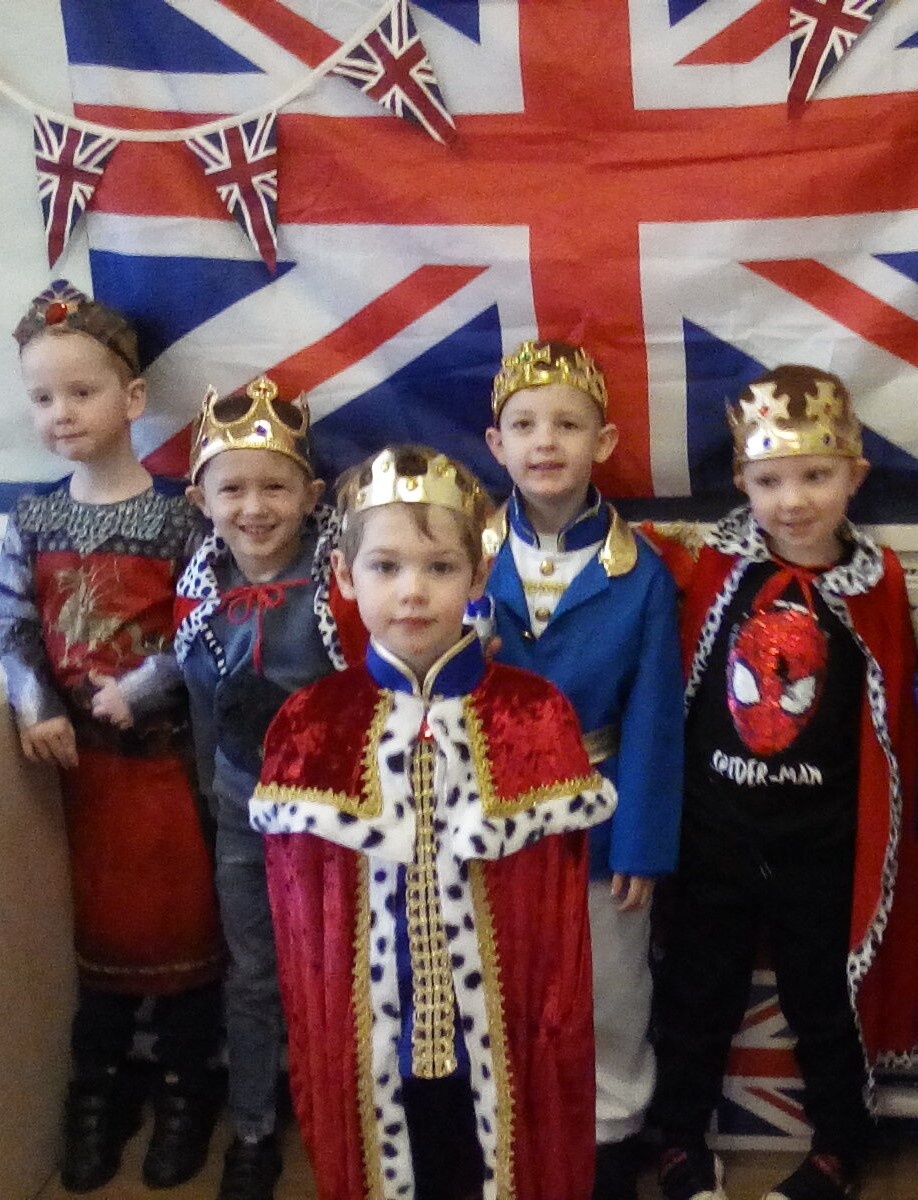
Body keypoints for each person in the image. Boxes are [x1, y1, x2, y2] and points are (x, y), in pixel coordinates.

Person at [249, 444, 618, 1200]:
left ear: (479, 575)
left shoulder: (534, 716)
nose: (412, 592)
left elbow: (557, 931)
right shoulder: (311, 726)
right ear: (344, 577)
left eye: (440, 567)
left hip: (503, 1039)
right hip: (372, 1047)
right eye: (385, 567)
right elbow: (302, 929)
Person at [650, 365, 918, 1200]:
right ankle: (678, 1137)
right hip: (717, 835)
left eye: (816, 476)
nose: (793, 500)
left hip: (820, 844)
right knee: (697, 994)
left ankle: (841, 1143)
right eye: (769, 481)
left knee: (823, 1002)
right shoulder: (710, 569)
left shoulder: (876, 584)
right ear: (741, 482)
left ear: (855, 476)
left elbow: (888, 729)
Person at [0, 280, 223, 1192]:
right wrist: (34, 704)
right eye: (42, 397)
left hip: (162, 774)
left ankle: (187, 1083)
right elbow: (15, 623)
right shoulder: (30, 519)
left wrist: (144, 687)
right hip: (73, 779)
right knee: (88, 937)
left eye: (81, 392)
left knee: (179, 925)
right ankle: (99, 1083)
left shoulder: (180, 520)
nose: (61, 413)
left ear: (131, 398)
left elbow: (206, 630)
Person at [483, 340, 684, 1200]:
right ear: (496, 445)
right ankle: (505, 1125)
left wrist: (641, 843)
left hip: (599, 817)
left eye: (568, 425)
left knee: (608, 984)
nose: (545, 442)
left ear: (603, 443)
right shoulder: (460, 551)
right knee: (496, 974)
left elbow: (654, 719)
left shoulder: (640, 574)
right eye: (525, 425)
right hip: (484, 814)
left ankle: (610, 1134)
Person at [175, 374, 345, 1200]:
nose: (253, 507)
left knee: (336, 968)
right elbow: (191, 690)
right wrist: (212, 798)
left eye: (275, 487)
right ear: (200, 501)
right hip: (241, 811)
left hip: (334, 819)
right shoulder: (198, 589)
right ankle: (250, 1124)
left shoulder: (342, 582)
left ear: (311, 496)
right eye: (232, 489)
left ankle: (342, 1114)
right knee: (251, 972)